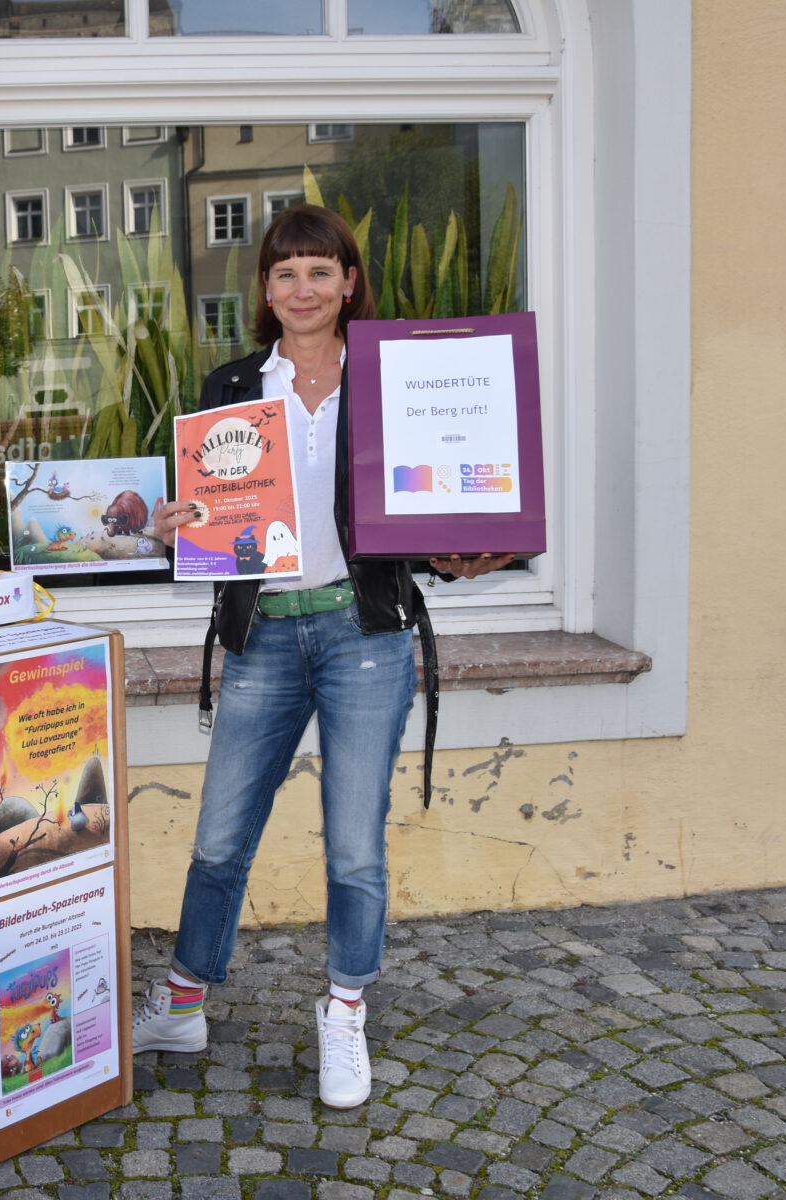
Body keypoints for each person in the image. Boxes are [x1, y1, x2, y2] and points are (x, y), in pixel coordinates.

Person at [132, 205, 512, 1109]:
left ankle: (344, 1009)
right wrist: (170, 528)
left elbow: (433, 500)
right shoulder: (229, 386)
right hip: (264, 636)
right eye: (285, 272)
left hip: (363, 636)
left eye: (320, 270)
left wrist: (468, 545)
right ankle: (183, 1001)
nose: (302, 288)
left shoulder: (398, 378)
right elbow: (203, 520)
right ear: (264, 290)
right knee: (220, 834)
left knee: (353, 846)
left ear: (348, 282)